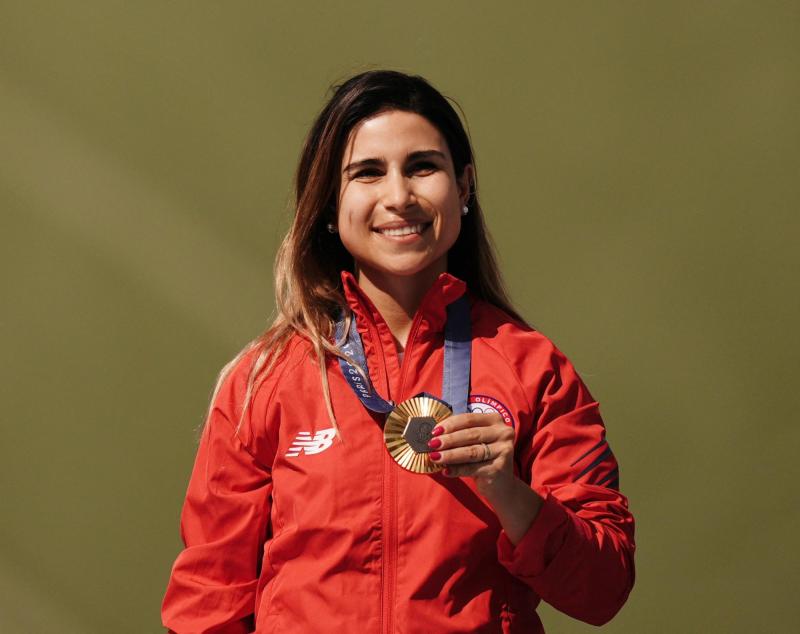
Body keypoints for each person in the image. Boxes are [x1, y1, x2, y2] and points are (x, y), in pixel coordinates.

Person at [162, 69, 635, 633]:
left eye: (422, 167)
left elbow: (604, 587)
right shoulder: (264, 380)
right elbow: (206, 603)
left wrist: (509, 494)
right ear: (329, 206)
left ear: (463, 186)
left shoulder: (533, 369)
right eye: (367, 173)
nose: (399, 197)